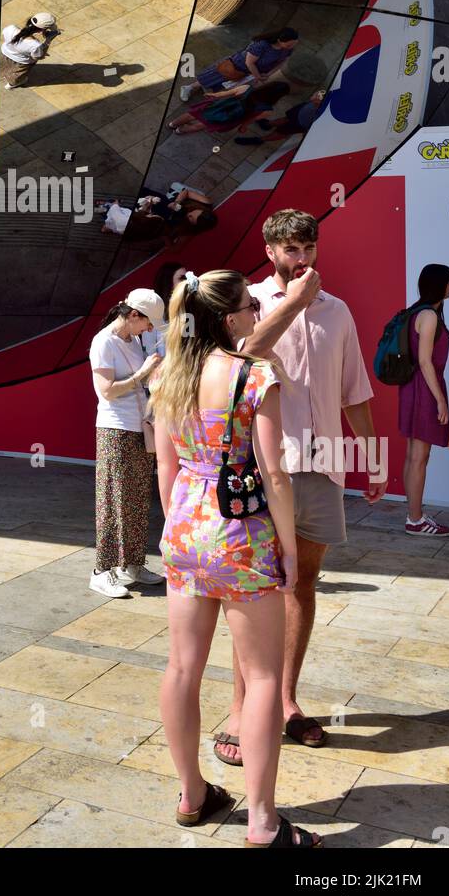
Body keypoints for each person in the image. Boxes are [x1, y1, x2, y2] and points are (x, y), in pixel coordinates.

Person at [151, 270, 319, 846]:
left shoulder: (170, 374)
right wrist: (289, 548)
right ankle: (263, 822)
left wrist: (180, 529)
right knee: (264, 674)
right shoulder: (254, 376)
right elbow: (273, 472)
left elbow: (166, 471)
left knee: (181, 667)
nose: (256, 311)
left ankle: (193, 793)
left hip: (186, 528)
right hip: (242, 533)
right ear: (230, 318)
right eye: (250, 305)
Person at [221, 209, 385, 764]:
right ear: (270, 252)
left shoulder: (337, 311)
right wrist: (290, 301)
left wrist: (371, 458)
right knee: (255, 587)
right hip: (265, 467)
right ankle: (242, 709)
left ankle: (287, 701)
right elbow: (243, 358)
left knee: (303, 582)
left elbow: (354, 390)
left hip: (324, 463)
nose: (303, 258)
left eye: (308, 246)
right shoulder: (251, 306)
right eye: (291, 249)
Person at [88, 289, 166, 599]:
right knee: (112, 499)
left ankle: (133, 563)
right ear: (133, 315)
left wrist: (151, 377)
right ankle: (101, 570)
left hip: (139, 426)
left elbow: (136, 383)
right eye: (147, 323)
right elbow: (106, 391)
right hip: (114, 428)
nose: (149, 329)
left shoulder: (132, 340)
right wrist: (144, 372)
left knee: (136, 498)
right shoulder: (103, 341)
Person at [399, 264, 449, 537]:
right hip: (424, 390)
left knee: (413, 455)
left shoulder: (415, 312)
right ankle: (415, 519)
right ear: (440, 285)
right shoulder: (429, 316)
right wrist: (441, 400)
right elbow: (424, 361)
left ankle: (414, 513)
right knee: (420, 457)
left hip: (413, 388)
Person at [176, 29, 300, 108]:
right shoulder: (262, 45)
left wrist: (268, 74)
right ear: (279, 40)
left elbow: (282, 61)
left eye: (294, 44)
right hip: (238, 66)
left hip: (253, 73)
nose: (291, 47)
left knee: (229, 86)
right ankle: (189, 87)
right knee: (215, 76)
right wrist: (257, 75)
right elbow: (249, 62)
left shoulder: (287, 49)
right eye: (289, 44)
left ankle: (211, 97)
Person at [0, 11, 58, 90]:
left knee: (3, 66)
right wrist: (48, 40)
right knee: (17, 74)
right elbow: (37, 57)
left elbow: (6, 35)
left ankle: (2, 74)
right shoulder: (35, 45)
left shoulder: (11, 28)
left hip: (5, 53)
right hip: (21, 62)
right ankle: (12, 84)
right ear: (41, 31)